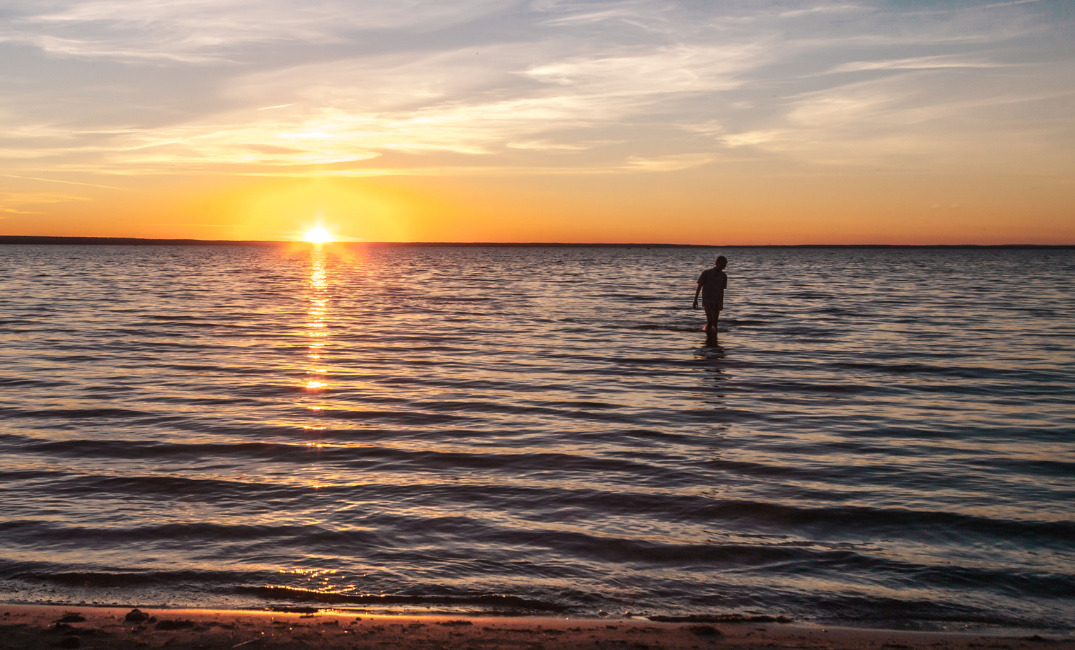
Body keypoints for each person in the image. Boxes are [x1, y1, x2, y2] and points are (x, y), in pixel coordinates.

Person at [693, 255, 727, 333]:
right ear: (717, 263)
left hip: (717, 301)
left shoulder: (723, 276)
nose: (724, 266)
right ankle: (707, 334)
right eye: (723, 264)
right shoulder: (706, 273)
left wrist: (721, 303)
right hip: (707, 300)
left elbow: (722, 291)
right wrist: (695, 300)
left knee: (715, 323)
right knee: (710, 321)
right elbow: (699, 286)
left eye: (725, 265)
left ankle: (713, 338)